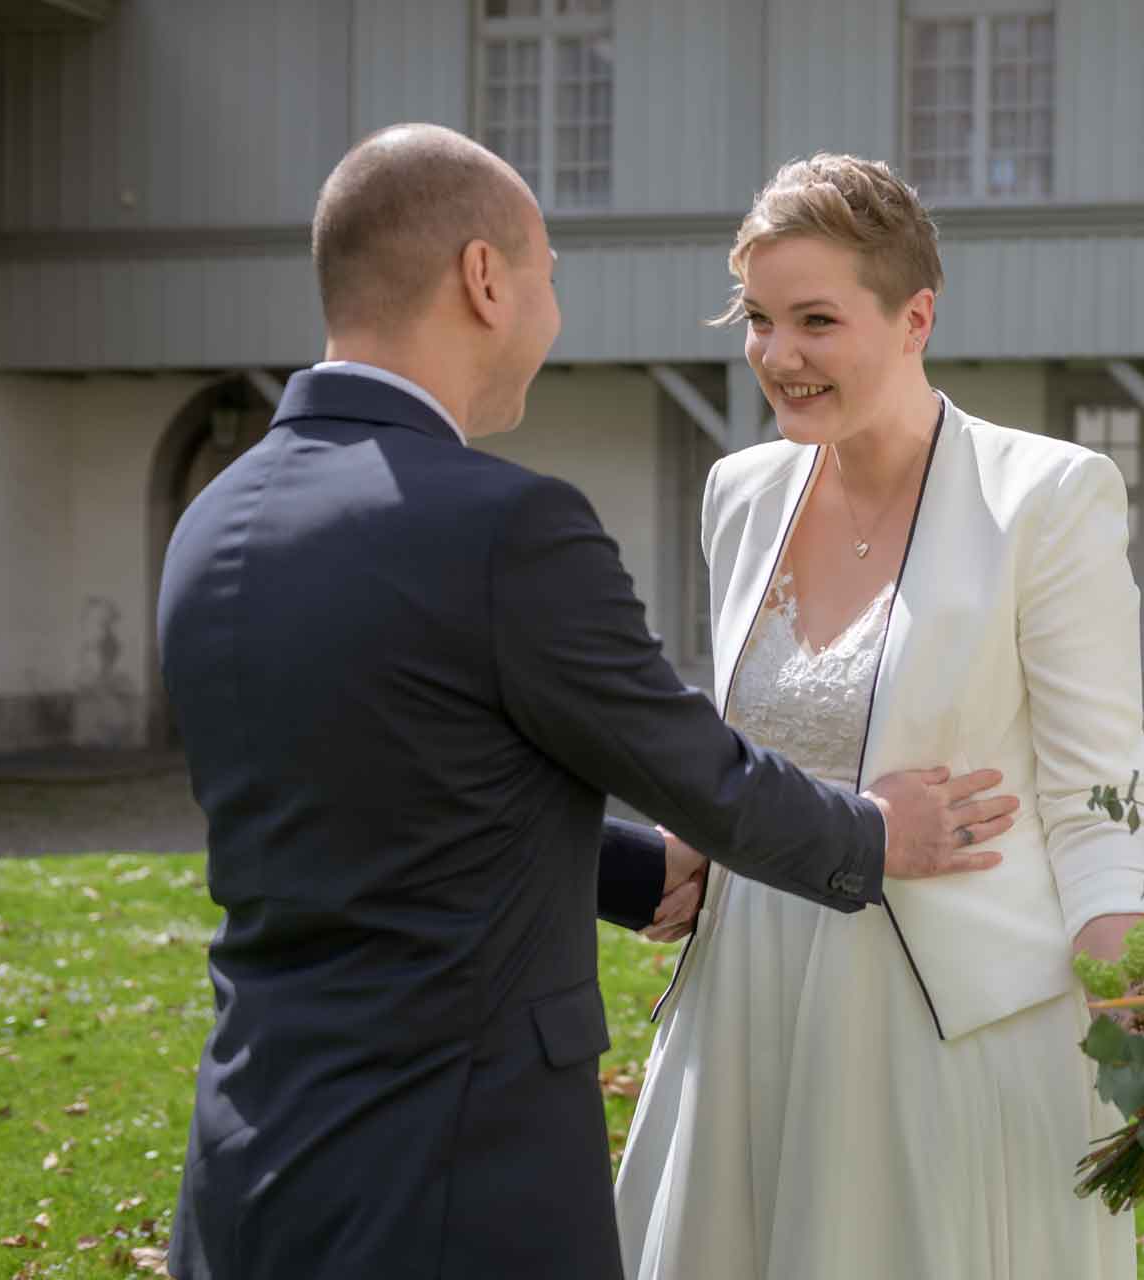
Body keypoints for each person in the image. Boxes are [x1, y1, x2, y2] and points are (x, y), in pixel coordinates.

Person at [157, 125, 1012, 1280]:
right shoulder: (505, 526)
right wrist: (875, 829)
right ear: (484, 279)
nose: (554, 313)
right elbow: (698, 768)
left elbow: (382, 786)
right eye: (549, 273)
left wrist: (629, 870)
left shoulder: (213, 519)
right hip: (458, 1168)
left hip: (251, 1149)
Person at [614, 154, 1144, 1280]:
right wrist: (705, 842)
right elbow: (744, 750)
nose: (778, 355)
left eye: (817, 319)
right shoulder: (739, 492)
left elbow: (1101, 791)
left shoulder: (1048, 497)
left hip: (948, 1020)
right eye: (759, 318)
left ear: (916, 315)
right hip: (747, 991)